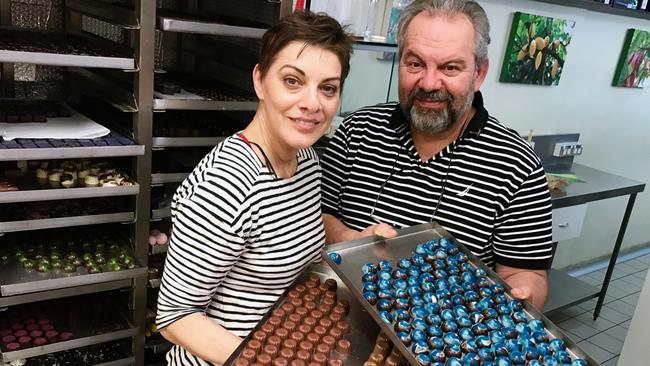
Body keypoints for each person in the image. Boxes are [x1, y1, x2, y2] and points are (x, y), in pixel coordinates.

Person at [321, 0, 553, 310]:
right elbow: (318, 214)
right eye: (415, 63)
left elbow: (526, 272)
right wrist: (347, 238)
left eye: (450, 67)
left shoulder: (517, 164)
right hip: (340, 316)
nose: (429, 83)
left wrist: (523, 293)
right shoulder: (357, 130)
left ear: (479, 73)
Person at [156, 11, 355, 365]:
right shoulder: (227, 184)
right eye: (293, 81)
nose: (312, 103)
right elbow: (175, 319)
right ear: (260, 81)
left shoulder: (305, 159)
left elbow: (285, 235)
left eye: (328, 87)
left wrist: (354, 240)